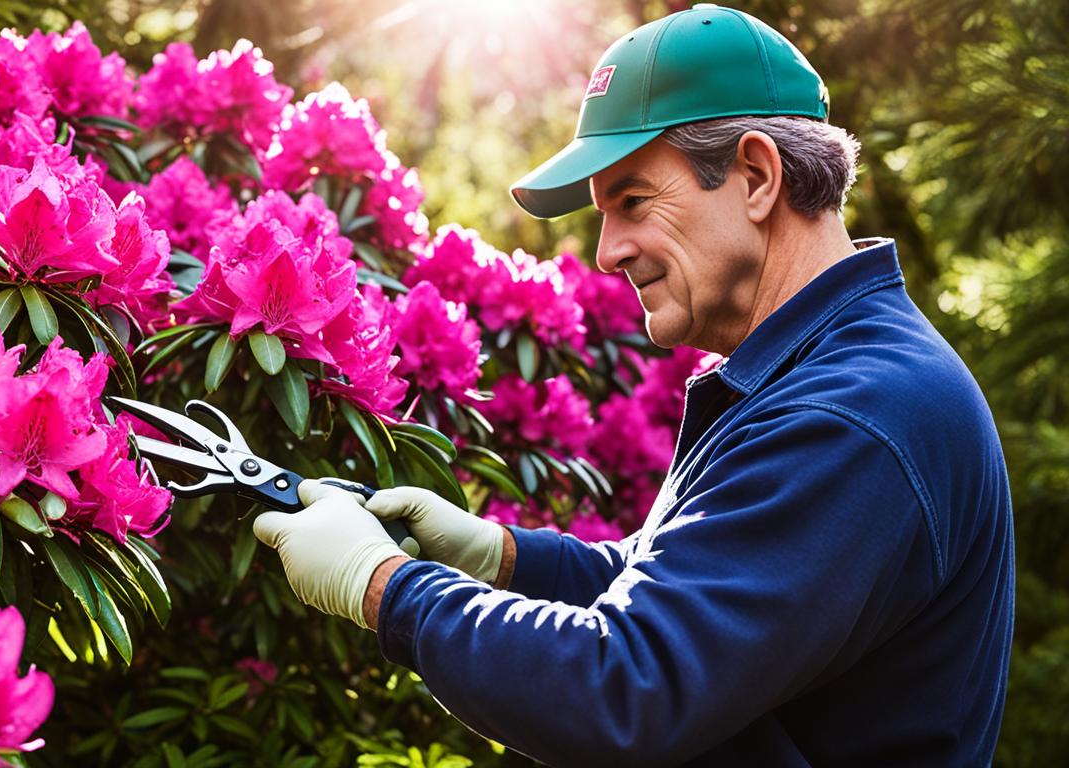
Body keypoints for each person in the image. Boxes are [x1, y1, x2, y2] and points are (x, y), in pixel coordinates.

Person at [252, 4, 1015, 765]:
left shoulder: (849, 414)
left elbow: (627, 690)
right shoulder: (825, 370)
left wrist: (382, 584)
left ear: (755, 175)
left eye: (633, 202)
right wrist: (503, 557)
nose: (609, 250)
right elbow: (690, 590)